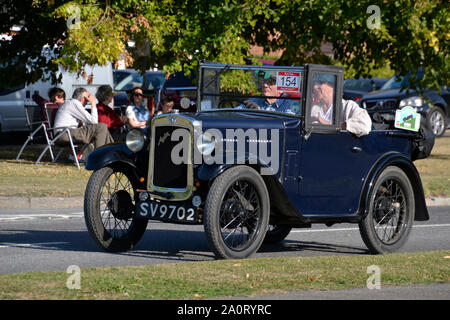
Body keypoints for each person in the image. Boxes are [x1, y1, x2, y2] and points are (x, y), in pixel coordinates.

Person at [53, 87, 114, 158]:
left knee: (103, 128)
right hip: (65, 133)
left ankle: (113, 153)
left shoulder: (70, 103)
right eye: (87, 97)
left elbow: (90, 123)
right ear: (82, 98)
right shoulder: (74, 103)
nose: (88, 100)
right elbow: (94, 122)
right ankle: (100, 157)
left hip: (64, 133)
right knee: (101, 127)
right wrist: (93, 103)